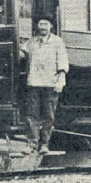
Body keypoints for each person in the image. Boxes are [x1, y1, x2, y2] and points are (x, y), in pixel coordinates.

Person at [20, 15, 69, 155]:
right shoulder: (31, 42)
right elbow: (22, 53)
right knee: (31, 114)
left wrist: (60, 81)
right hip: (34, 82)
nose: (42, 26)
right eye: (40, 24)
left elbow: (63, 62)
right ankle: (32, 143)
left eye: (45, 24)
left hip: (50, 83)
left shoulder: (57, 42)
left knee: (49, 115)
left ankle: (44, 145)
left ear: (50, 26)